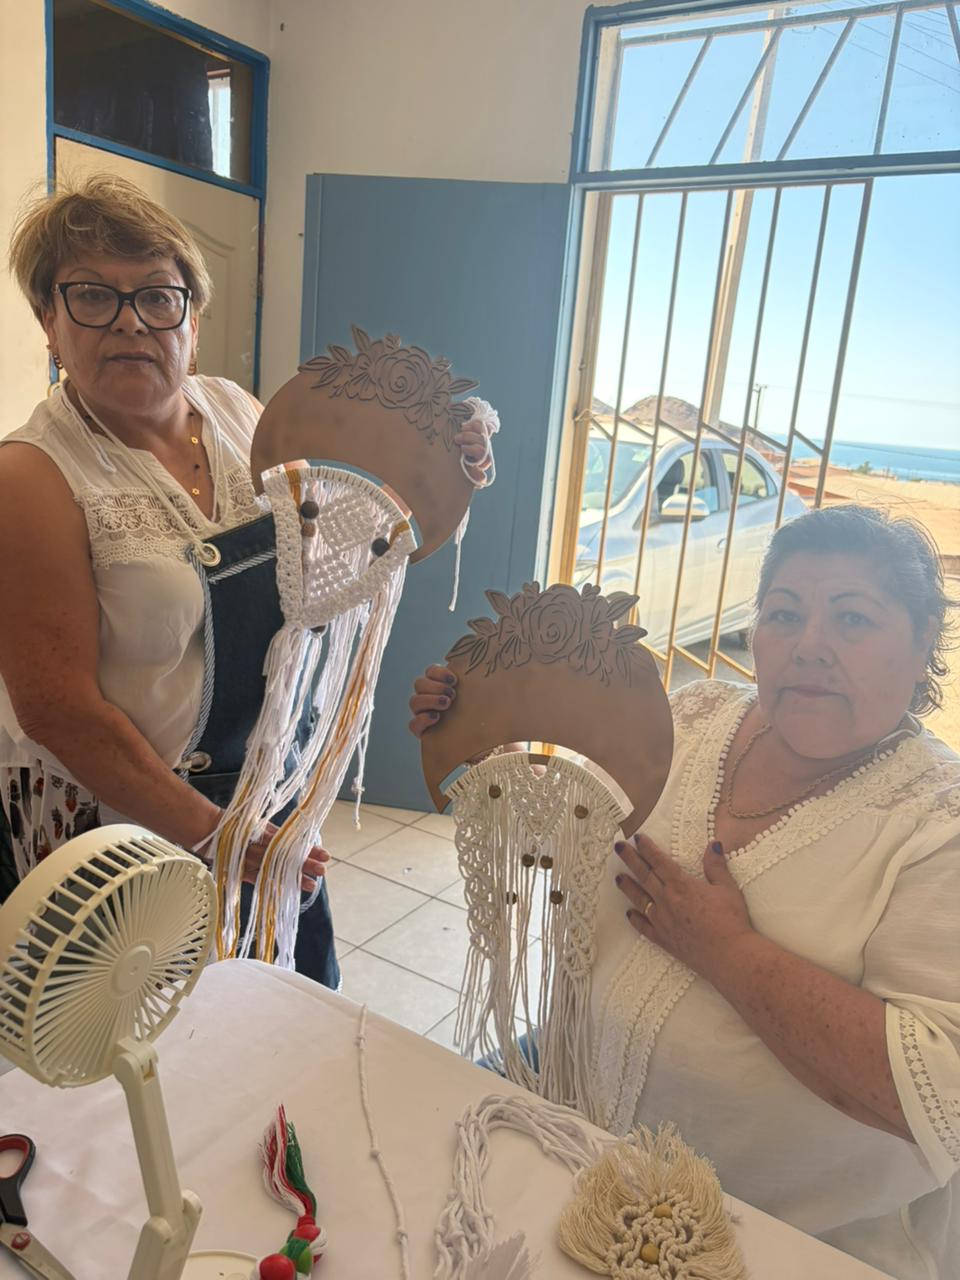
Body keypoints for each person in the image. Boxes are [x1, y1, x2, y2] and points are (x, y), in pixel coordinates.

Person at [410, 505, 960, 1280]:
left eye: (853, 620)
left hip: (773, 1237)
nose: (810, 647)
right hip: (574, 1118)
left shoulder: (938, 825)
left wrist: (731, 954)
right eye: (784, 614)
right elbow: (565, 838)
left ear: (922, 646)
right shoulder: (692, 716)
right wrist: (478, 737)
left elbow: (936, 1094)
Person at [0, 174, 491, 989]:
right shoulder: (30, 476)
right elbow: (60, 711)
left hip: (259, 797)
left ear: (193, 317)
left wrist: (447, 460)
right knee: (144, 1076)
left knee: (280, 1030)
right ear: (48, 320)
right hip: (117, 823)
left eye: (158, 296)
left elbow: (355, 532)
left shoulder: (236, 410)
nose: (129, 321)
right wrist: (215, 839)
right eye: (91, 296)